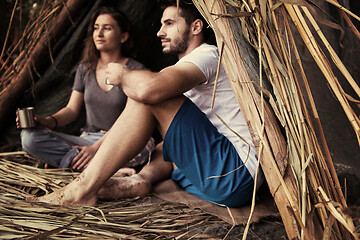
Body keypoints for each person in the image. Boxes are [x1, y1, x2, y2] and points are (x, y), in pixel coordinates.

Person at [27, 0, 262, 208]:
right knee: (164, 140)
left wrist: (123, 75)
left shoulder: (207, 55)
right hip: (222, 178)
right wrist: (140, 173)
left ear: (196, 27)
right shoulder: (184, 72)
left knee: (148, 97)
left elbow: (147, 90)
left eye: (169, 23)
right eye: (161, 25)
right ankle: (139, 180)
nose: (160, 32)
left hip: (235, 173)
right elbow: (168, 140)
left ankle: (82, 189)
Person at [17, 7, 154, 172]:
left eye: (107, 28)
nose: (99, 33)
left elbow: (132, 121)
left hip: (122, 141)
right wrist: (47, 121)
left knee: (144, 147)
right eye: (96, 28)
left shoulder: (136, 70)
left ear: (123, 36)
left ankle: (71, 165)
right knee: (29, 138)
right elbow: (71, 110)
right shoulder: (85, 69)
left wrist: (96, 148)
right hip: (87, 140)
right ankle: (98, 169)